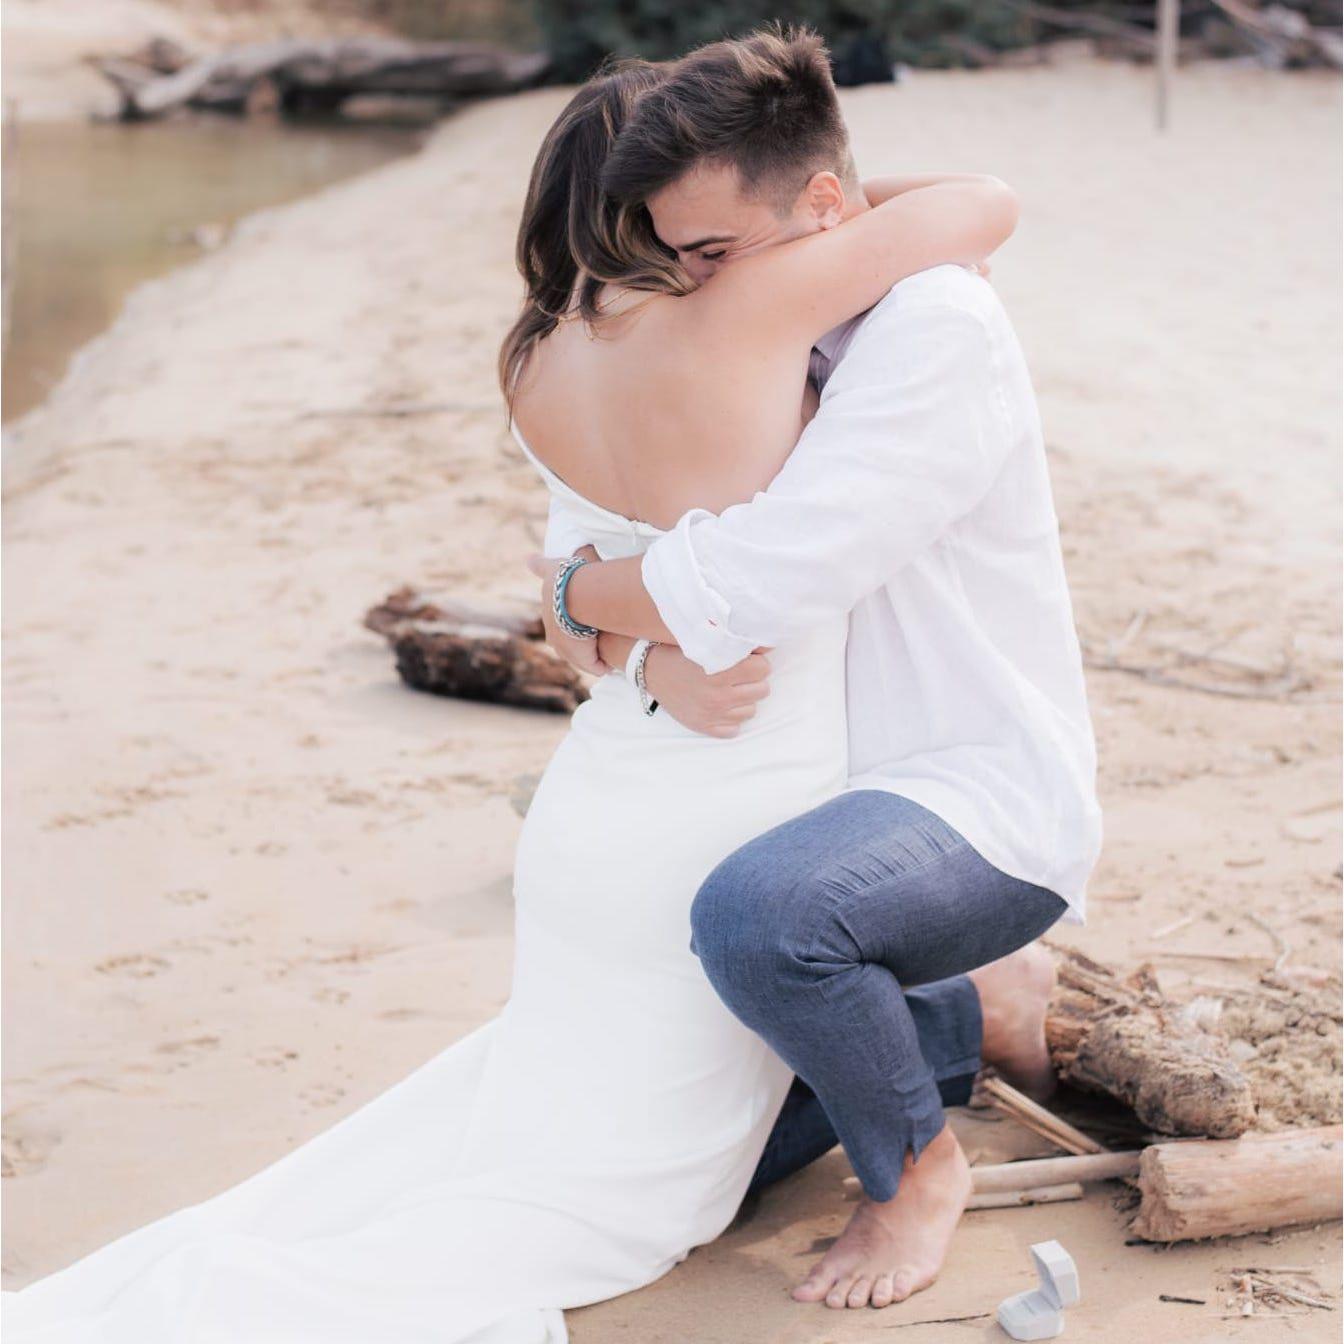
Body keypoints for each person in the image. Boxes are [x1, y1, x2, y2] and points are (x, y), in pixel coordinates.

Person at [2, 30, 1045, 1343]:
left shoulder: (534, 359)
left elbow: (566, 578)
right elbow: (983, 204)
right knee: (647, 1160)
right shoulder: (748, 309)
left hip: (602, 791)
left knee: (574, 1089)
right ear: (648, 209)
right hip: (736, 793)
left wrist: (602, 621)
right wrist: (821, 207)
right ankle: (942, 1069)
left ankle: (946, 1028)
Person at [531, 25, 1102, 1314]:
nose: (694, 283)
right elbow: (597, 539)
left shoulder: (936, 323)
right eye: (676, 255)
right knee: (684, 1160)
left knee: (761, 924)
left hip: (964, 793)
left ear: (831, 208)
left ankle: (917, 1175)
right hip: (808, 792)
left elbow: (763, 580)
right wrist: (618, 631)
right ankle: (960, 1014)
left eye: (713, 251)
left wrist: (579, 598)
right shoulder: (765, 325)